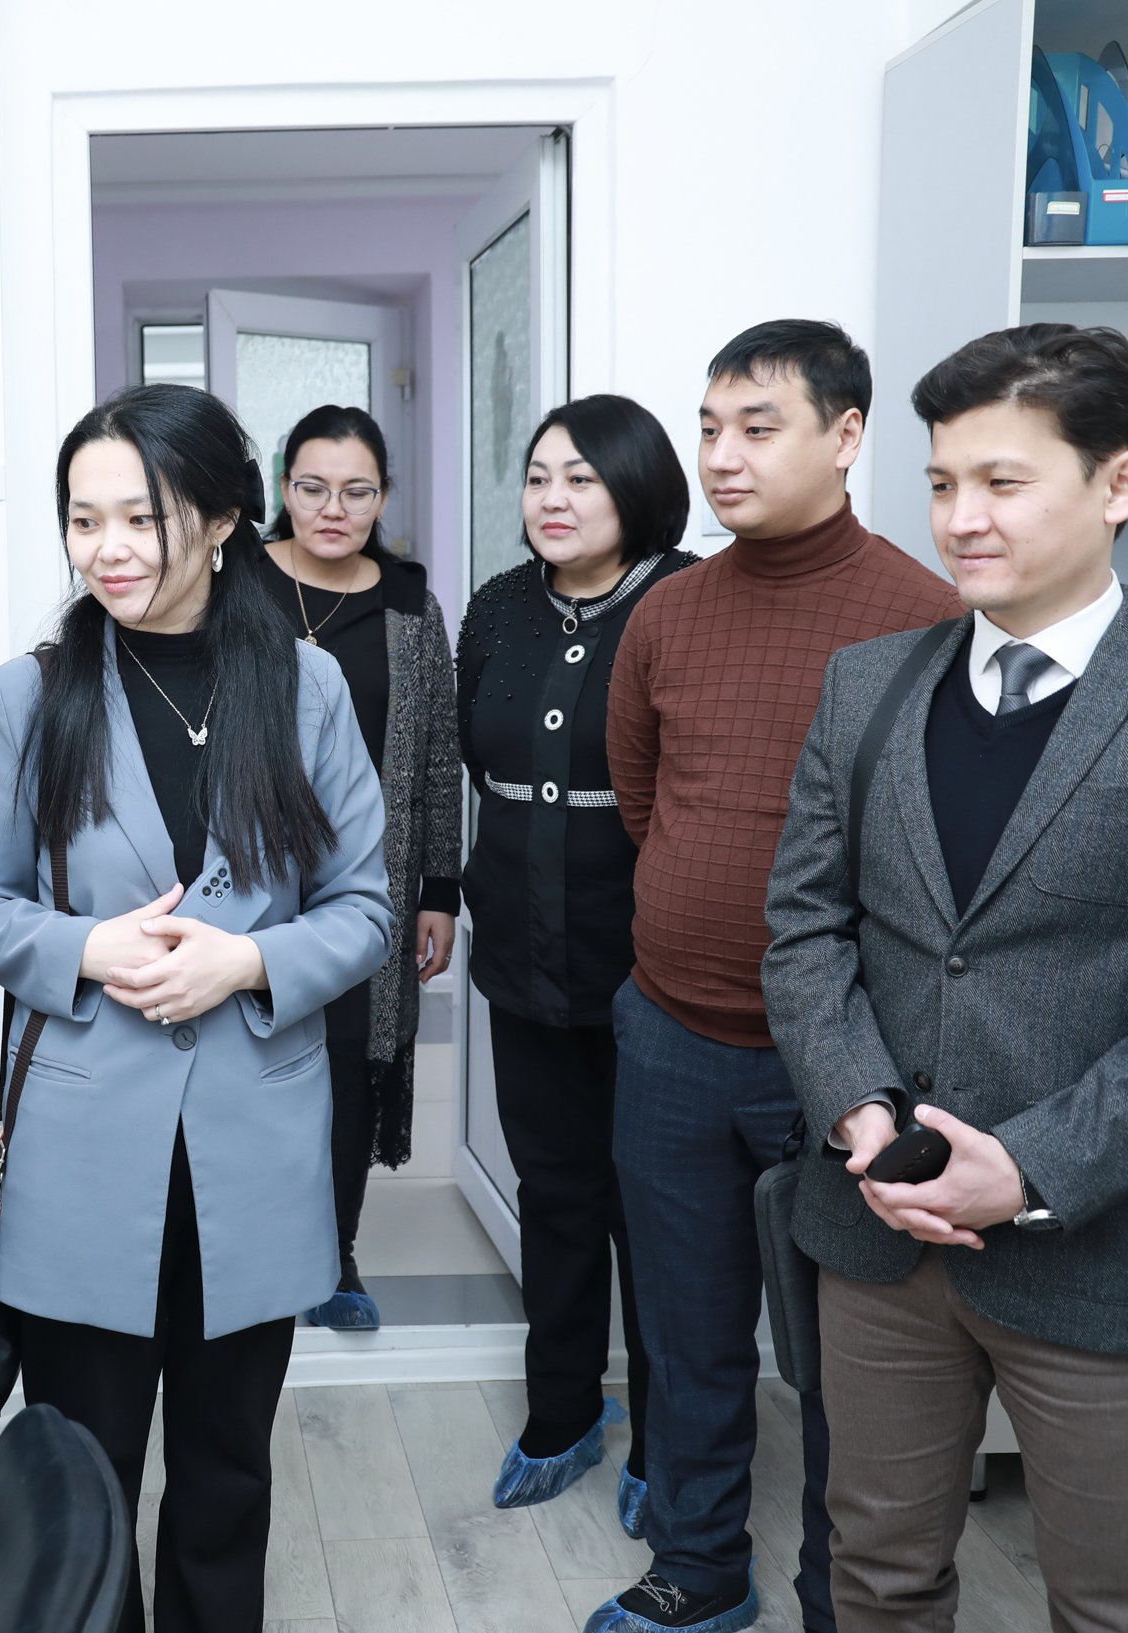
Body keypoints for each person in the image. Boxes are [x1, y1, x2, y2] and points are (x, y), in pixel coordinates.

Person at [762, 322, 1128, 1631]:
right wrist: (857, 1110)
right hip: (876, 1239)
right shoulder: (863, 686)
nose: (960, 518)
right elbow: (803, 930)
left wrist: (1028, 1168)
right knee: (875, 1579)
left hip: (1103, 1253)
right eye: (941, 482)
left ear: (1118, 483)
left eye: (1001, 482)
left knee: (1122, 1607)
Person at [0, 383, 392, 1631]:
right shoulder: (30, 695)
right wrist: (86, 946)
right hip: (82, 1159)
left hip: (257, 1153)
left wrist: (244, 965)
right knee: (81, 1490)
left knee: (226, 1480)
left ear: (227, 518)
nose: (108, 549)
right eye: (83, 520)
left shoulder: (305, 688)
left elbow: (365, 908)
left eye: (141, 517)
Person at [599, 320, 963, 1633]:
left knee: (849, 1364)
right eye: (708, 428)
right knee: (686, 1335)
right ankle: (698, 1567)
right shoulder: (667, 610)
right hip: (669, 1040)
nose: (720, 456)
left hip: (848, 1064)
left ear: (845, 436)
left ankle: (836, 1595)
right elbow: (643, 797)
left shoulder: (925, 617)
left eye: (757, 427)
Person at [457, 395, 696, 1530]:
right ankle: (561, 1411)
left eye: (581, 478)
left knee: (654, 1210)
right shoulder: (498, 607)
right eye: (537, 476)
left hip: (657, 967)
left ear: (636, 487)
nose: (551, 498)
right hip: (520, 951)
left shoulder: (690, 600)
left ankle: (668, 1441)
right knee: (552, 1193)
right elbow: (471, 756)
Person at [255, 403, 460, 1332]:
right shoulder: (231, 583)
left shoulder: (409, 605)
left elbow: (436, 759)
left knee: (348, 1062)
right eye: (311, 488)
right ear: (282, 488)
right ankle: (247, 1249)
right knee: (249, 1058)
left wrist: (437, 892)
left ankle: (331, 1255)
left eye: (357, 491)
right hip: (246, 881)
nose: (332, 509)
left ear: (382, 497)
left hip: (363, 885)